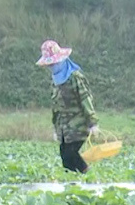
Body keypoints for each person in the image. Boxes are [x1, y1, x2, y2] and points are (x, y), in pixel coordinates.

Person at [38, 40, 99, 174]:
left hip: (78, 125)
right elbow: (56, 107)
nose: (52, 67)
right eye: (49, 65)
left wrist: (92, 123)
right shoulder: (55, 81)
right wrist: (56, 129)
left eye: (53, 63)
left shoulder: (75, 77)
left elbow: (86, 99)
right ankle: (72, 187)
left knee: (71, 154)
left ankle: (89, 178)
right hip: (64, 129)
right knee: (65, 158)